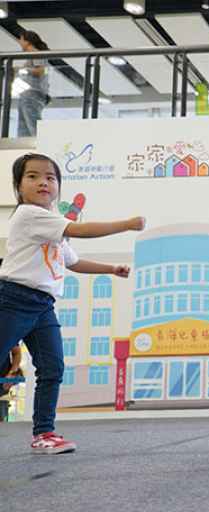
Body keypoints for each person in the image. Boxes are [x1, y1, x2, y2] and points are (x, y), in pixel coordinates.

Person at [0, 153, 144, 453]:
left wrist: (111, 269)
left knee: (52, 367)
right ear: (18, 186)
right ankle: (44, 432)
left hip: (42, 306)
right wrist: (127, 224)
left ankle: (44, 433)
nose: (43, 182)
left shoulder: (51, 224)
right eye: (33, 176)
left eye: (50, 178)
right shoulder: (29, 214)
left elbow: (73, 262)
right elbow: (80, 230)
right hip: (13, 299)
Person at [16, 31, 51, 138]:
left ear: (27, 41)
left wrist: (21, 69)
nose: (19, 42)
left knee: (32, 123)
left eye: (21, 39)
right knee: (25, 126)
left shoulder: (36, 53)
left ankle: (42, 142)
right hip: (27, 94)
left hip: (32, 94)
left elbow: (40, 70)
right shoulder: (32, 56)